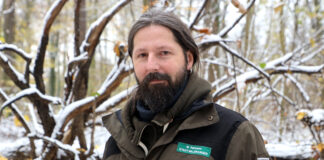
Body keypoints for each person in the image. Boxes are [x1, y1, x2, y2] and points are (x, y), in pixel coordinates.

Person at [102, 8, 270, 160]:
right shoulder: (117, 139)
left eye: (164, 53)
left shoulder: (234, 133)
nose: (151, 65)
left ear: (188, 59)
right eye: (142, 55)